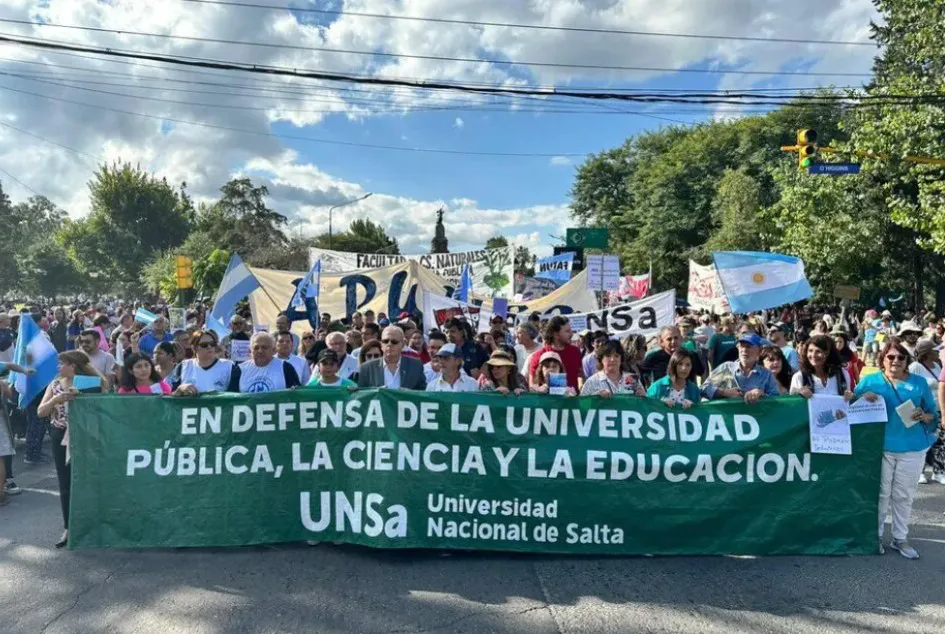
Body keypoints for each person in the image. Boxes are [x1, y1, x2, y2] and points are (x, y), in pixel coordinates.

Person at [856, 341, 939, 559]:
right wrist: (861, 398)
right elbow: (851, 405)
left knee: (903, 495)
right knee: (880, 495)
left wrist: (924, 416)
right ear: (882, 359)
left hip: (912, 447)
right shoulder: (870, 381)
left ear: (907, 361)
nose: (895, 361)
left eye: (901, 357)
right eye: (890, 357)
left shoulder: (919, 383)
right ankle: (875, 537)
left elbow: (933, 413)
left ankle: (900, 538)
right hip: (879, 447)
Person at [37, 350, 105, 548]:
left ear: (73, 365)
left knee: (90, 479)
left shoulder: (92, 383)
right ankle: (69, 527)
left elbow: (103, 408)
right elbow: (41, 412)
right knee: (65, 482)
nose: (59, 367)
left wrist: (83, 398)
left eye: (62, 363)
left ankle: (94, 524)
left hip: (86, 435)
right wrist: (56, 400)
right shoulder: (55, 385)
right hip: (60, 436)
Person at [702, 333, 780, 403]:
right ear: (738, 348)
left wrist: (761, 394)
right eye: (742, 346)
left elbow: (776, 400)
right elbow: (703, 389)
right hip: (729, 414)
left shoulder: (766, 375)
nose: (744, 350)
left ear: (759, 351)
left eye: (749, 347)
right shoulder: (727, 368)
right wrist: (724, 392)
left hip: (756, 414)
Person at [908, 339, 945, 484]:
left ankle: (939, 472)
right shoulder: (915, 367)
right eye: (935, 350)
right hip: (922, 412)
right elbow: (908, 387)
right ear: (926, 353)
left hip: (937, 410)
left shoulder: (937, 366)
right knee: (922, 442)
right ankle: (920, 472)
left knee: (940, 443)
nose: (938, 352)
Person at [357, 326, 427, 390]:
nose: (389, 344)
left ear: (402, 344)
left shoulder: (415, 365)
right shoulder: (366, 368)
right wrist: (377, 392)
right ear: (381, 345)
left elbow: (422, 392)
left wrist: (408, 393)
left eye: (394, 342)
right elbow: (362, 394)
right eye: (385, 341)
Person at [230, 332, 301, 393]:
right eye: (256, 348)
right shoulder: (240, 370)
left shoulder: (285, 368)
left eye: (264, 347)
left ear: (274, 350)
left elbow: (297, 394)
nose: (260, 351)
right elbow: (231, 398)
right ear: (250, 351)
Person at [172, 330, 237, 396]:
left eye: (212, 344)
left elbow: (235, 396)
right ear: (194, 347)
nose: (209, 347)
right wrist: (180, 389)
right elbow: (171, 396)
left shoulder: (229, 367)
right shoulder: (183, 366)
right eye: (204, 345)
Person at [527, 316, 583, 390]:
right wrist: (541, 389)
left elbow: (579, 374)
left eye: (571, 330)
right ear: (556, 334)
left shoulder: (575, 352)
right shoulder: (539, 356)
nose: (571, 334)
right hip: (548, 397)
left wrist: (580, 385)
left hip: (573, 397)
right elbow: (532, 386)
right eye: (567, 331)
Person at [790, 335, 853, 400]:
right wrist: (798, 392)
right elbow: (792, 401)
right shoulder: (799, 377)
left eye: (818, 351)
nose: (813, 355)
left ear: (828, 353)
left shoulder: (842, 375)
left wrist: (849, 396)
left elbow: (848, 400)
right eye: (810, 351)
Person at [641, 325, 705, 385]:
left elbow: (701, 372)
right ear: (661, 342)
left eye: (676, 338)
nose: (673, 342)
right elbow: (642, 376)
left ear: (681, 339)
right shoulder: (653, 357)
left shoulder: (691, 355)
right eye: (669, 339)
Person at [581, 339, 646, 397]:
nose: (612, 359)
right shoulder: (592, 382)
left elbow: (644, 403)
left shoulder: (632, 379)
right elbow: (582, 404)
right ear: (601, 359)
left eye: (616, 356)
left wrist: (642, 395)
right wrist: (596, 397)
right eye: (608, 356)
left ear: (621, 359)